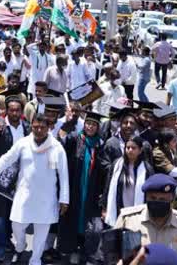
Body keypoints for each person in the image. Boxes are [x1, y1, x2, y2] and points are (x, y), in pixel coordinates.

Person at [0, 113, 69, 265]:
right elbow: (6, 159)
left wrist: (64, 200)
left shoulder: (57, 148)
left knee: (41, 235)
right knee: (17, 226)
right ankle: (20, 246)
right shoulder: (23, 143)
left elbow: (64, 175)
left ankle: (35, 260)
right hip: (24, 195)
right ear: (31, 127)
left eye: (42, 127)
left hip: (46, 199)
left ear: (49, 128)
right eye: (35, 127)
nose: (38, 130)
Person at [112, 174, 177, 265]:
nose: (158, 202)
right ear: (146, 197)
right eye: (153, 198)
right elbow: (111, 258)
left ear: (172, 198)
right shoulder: (127, 220)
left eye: (163, 199)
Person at [58, 110, 105, 263]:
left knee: (89, 220)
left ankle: (86, 250)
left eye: (94, 124)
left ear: (98, 127)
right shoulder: (75, 139)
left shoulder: (100, 144)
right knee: (73, 216)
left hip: (91, 189)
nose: (90, 127)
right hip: (75, 187)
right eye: (88, 123)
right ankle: (71, 249)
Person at [104, 135, 154, 227]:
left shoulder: (147, 169)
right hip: (119, 210)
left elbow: (151, 192)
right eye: (128, 147)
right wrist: (104, 208)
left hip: (138, 212)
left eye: (133, 148)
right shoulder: (117, 165)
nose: (130, 150)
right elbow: (108, 186)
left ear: (140, 150)